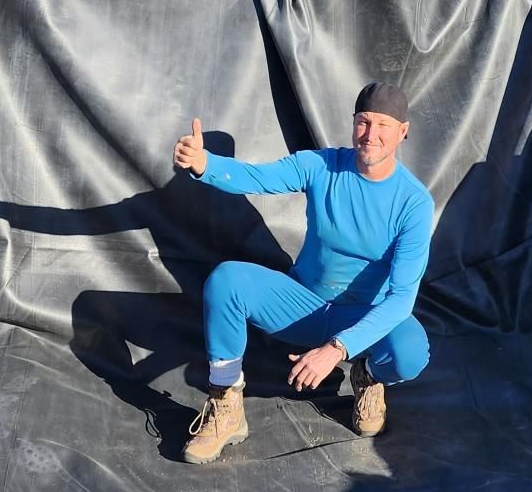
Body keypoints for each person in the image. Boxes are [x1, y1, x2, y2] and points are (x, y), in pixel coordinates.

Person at [173, 83, 432, 466]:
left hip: (361, 318)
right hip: (303, 306)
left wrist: (338, 350)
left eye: (383, 125)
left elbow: (401, 299)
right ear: (353, 123)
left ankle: (369, 376)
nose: (371, 134)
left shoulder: (413, 203)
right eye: (363, 122)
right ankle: (225, 404)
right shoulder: (321, 165)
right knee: (227, 280)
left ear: (403, 131)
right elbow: (259, 178)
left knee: (410, 353)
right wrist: (205, 164)